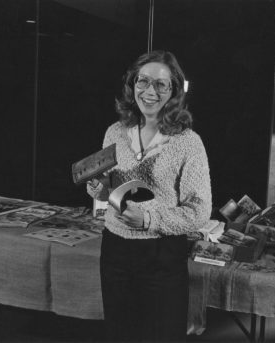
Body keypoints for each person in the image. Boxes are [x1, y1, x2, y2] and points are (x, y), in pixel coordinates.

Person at [87, 50, 212, 342]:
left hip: (162, 257)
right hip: (115, 250)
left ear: (174, 92)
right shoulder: (115, 132)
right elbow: (110, 189)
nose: (150, 91)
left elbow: (199, 211)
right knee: (120, 334)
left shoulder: (188, 143)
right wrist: (100, 189)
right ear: (132, 85)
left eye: (161, 84)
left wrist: (148, 219)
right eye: (143, 81)